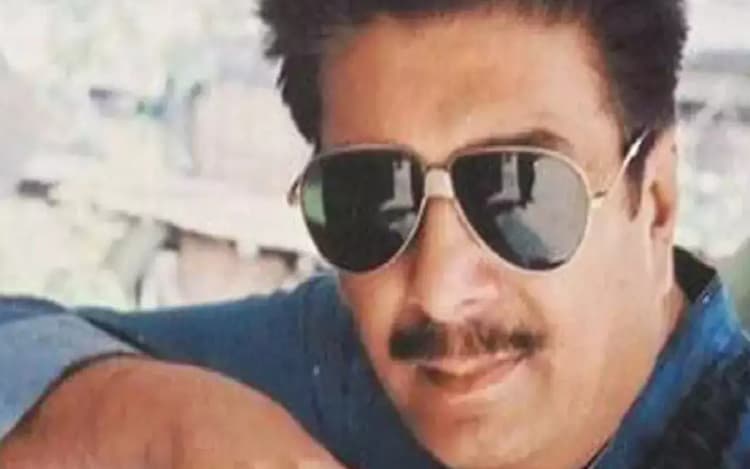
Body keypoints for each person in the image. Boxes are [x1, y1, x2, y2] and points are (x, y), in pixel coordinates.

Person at [1, 0, 749, 467]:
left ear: (656, 198)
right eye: (373, 198)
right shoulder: (335, 369)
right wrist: (142, 416)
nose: (438, 290)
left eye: (519, 193)